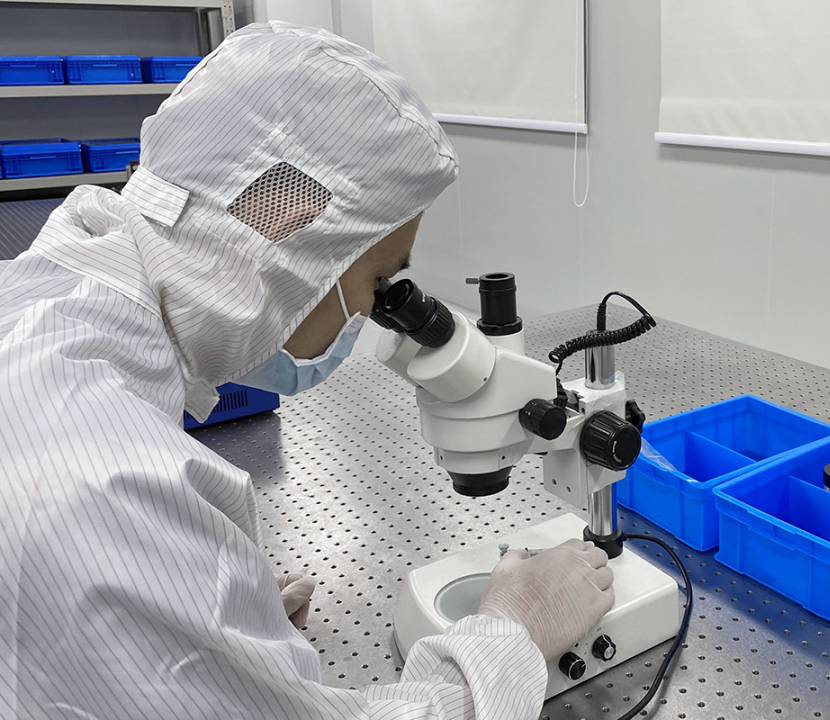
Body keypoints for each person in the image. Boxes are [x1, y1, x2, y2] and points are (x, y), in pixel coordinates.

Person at [0, 23, 613, 720]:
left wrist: (204, 617)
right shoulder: (111, 492)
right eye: (380, 283)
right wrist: (512, 636)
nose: (374, 312)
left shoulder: (45, 311)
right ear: (289, 229)